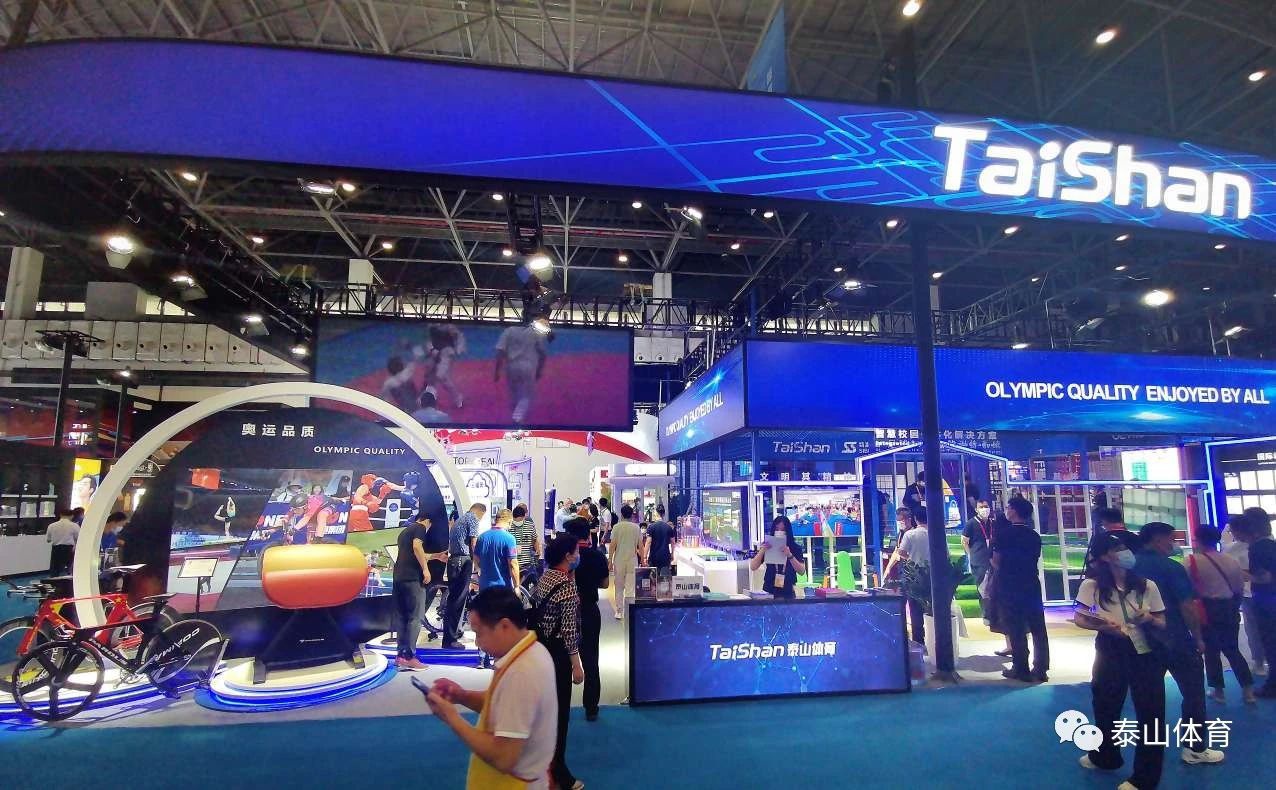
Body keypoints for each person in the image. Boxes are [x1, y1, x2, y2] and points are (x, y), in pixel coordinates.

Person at [424, 587, 556, 789]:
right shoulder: (531, 651)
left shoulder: (522, 672)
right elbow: (505, 704)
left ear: (504, 626)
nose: (478, 643)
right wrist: (462, 696)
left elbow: (504, 757)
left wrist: (452, 718)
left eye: (479, 633)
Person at [1073, 532, 1168, 790]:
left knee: (1151, 712)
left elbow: (1162, 622)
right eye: (1119, 548)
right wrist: (1103, 626)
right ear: (1105, 556)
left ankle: (1145, 778)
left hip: (1146, 650)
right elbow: (1080, 617)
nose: (1126, 553)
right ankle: (1105, 755)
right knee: (1105, 705)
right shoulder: (1092, 586)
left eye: (1127, 548)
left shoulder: (1147, 585)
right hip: (1110, 648)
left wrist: (1148, 618)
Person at [1134, 521, 1222, 765]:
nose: (1174, 543)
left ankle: (1149, 752)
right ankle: (1194, 747)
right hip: (1176, 638)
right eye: (1171, 538)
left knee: (1147, 698)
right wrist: (1198, 636)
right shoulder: (1171, 568)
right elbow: (1187, 605)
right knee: (1193, 693)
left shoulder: (1130, 567)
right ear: (1158, 539)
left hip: (1140, 638)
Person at [533, 535, 585, 790]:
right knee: (560, 715)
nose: (578, 555)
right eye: (576, 551)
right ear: (568, 555)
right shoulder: (566, 587)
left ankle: (543, 766)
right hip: (558, 655)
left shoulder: (545, 577)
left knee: (545, 713)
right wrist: (577, 664)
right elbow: (568, 630)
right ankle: (558, 772)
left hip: (541, 650)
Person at [1188, 524, 1255, 704]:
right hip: (1228, 608)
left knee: (1211, 651)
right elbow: (1238, 588)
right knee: (1233, 649)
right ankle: (1248, 691)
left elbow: (1188, 589)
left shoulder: (1191, 561)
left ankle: (1218, 691)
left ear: (1197, 539)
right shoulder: (1231, 561)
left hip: (1206, 610)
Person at [991, 497, 1049, 682]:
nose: (1006, 510)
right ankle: (1041, 668)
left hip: (1009, 585)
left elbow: (996, 561)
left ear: (1014, 511)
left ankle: (1020, 667)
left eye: (1008, 507)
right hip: (1031, 583)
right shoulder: (1034, 536)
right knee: (1038, 627)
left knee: (1015, 627)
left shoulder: (1003, 535)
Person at [567, 518, 608, 721]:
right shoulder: (597, 555)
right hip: (590, 611)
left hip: (566, 611)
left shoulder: (565, 557)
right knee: (591, 659)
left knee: (563, 658)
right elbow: (605, 583)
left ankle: (561, 705)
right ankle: (591, 707)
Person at [1237, 508, 1276, 698]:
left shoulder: (1258, 548)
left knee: (1270, 642)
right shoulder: (1271, 544)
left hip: (1266, 602)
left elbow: (1264, 577)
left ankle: (1273, 686)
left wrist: (1241, 574)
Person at [393, 509, 439, 671]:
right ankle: (409, 657)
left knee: (402, 617)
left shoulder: (405, 532)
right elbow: (417, 547)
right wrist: (426, 569)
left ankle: (401, 656)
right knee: (415, 617)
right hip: (413, 578)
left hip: (399, 577)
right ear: (427, 521)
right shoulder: (420, 528)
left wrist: (436, 556)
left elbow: (414, 552)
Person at [884, 508, 931, 643]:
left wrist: (909, 558)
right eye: (898, 520)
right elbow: (897, 551)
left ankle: (917, 640)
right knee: (911, 607)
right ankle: (913, 638)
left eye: (901, 520)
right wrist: (888, 568)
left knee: (915, 608)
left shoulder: (910, 534)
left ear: (911, 519)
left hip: (912, 575)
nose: (899, 522)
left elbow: (901, 553)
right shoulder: (901, 534)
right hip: (913, 574)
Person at [444, 503, 486, 649]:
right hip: (462, 561)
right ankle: (451, 640)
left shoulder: (460, 520)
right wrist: (478, 564)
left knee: (453, 600)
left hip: (454, 561)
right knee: (457, 601)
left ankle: (451, 636)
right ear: (481, 512)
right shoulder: (472, 518)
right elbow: (474, 543)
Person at [494, 322, 549, 425]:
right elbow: (543, 354)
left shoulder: (508, 331)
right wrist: (539, 370)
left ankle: (517, 418)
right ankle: (517, 418)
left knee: (513, 394)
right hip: (529, 367)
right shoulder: (534, 332)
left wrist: (497, 371)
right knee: (526, 395)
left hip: (511, 366)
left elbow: (500, 352)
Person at [749, 515, 808, 599]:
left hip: (788, 590)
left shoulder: (795, 548)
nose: (779, 532)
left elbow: (801, 571)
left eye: (783, 530)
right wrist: (762, 550)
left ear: (788, 531)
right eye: (777, 529)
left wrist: (790, 555)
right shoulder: (768, 545)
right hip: (769, 590)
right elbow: (753, 566)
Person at [963, 500, 995, 624]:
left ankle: (994, 614)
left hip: (993, 559)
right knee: (983, 588)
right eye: (981, 507)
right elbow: (964, 541)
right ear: (976, 509)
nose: (984, 509)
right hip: (979, 561)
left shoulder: (992, 523)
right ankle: (986, 615)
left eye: (986, 506)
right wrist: (970, 555)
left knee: (994, 587)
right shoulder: (971, 524)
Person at [609, 505, 641, 620]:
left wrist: (610, 560)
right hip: (632, 560)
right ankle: (629, 610)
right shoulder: (636, 528)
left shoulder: (616, 527)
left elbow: (612, 545)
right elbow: (641, 545)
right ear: (632, 515)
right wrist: (643, 560)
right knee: (630, 586)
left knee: (618, 586)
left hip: (619, 559)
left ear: (621, 514)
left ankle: (619, 611)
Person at [476, 508, 519, 592]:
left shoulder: (481, 537)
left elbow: (476, 558)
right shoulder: (510, 538)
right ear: (509, 522)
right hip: (502, 587)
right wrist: (516, 586)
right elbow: (513, 564)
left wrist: (480, 570)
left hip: (484, 587)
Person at [510, 504, 542, 588]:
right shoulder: (509, 527)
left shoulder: (529, 525)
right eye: (516, 521)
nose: (518, 523)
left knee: (526, 585)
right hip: (513, 561)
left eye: (520, 520)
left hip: (527, 562)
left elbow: (535, 539)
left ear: (524, 517)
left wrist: (538, 550)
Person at [641, 504, 675, 572]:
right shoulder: (669, 527)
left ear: (656, 513)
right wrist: (672, 554)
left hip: (654, 556)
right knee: (664, 576)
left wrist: (644, 557)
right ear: (664, 514)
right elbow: (673, 542)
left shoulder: (651, 527)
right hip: (665, 556)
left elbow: (648, 542)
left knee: (653, 576)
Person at [46, 509, 79, 575]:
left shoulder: (51, 525)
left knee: (55, 570)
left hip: (56, 549)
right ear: (72, 516)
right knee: (69, 569)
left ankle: (54, 580)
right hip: (69, 549)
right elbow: (78, 538)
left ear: (60, 515)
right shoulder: (74, 526)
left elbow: (48, 540)